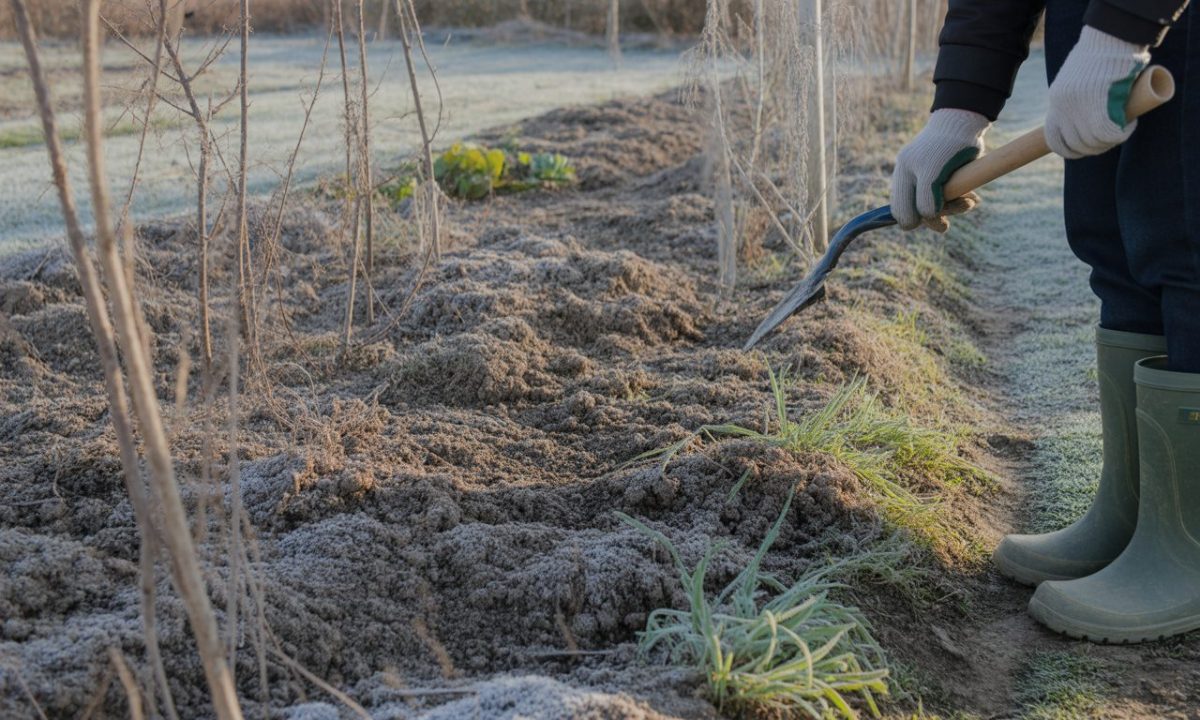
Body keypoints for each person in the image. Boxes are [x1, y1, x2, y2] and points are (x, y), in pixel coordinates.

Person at [891, 0, 1197, 643]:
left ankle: (1186, 543)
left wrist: (1123, 24)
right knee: (1112, 239)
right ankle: (1138, 515)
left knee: (1188, 244)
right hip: (1090, 22)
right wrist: (961, 103)